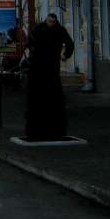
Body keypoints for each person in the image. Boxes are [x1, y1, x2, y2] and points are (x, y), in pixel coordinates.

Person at [24, 13, 74, 142]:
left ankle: (53, 128)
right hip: (38, 67)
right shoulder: (38, 29)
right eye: (50, 21)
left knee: (53, 97)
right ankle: (37, 128)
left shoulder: (59, 30)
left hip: (52, 67)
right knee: (38, 97)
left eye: (53, 22)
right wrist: (33, 53)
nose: (51, 24)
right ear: (46, 20)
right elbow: (29, 42)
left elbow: (70, 43)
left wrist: (65, 55)